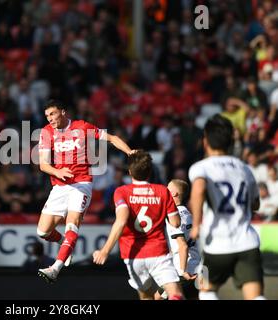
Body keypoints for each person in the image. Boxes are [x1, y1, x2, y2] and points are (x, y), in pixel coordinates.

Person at [36, 100, 133, 283]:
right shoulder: (46, 132)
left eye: (53, 114)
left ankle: (55, 268)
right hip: (59, 186)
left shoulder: (82, 127)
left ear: (63, 112)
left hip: (81, 184)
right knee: (43, 231)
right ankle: (65, 243)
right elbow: (43, 164)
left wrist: (130, 153)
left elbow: (112, 138)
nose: (50, 119)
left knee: (72, 223)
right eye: (47, 115)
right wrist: (57, 171)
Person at [188, 114, 265, 300]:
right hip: (247, 242)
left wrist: (196, 224)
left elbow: (198, 189)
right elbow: (256, 203)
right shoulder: (244, 168)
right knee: (255, 296)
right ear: (231, 141)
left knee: (206, 290)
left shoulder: (200, 167)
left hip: (216, 245)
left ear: (205, 141)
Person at [93, 150, 184, 300]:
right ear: (149, 171)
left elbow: (121, 221)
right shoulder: (163, 191)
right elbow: (175, 222)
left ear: (129, 172)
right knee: (175, 293)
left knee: (146, 297)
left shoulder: (122, 192)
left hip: (134, 255)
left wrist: (105, 251)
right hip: (159, 253)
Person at [155, 179, 201, 300]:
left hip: (183, 268)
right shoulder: (188, 214)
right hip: (197, 265)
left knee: (158, 297)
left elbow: (183, 246)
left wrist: (182, 270)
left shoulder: (174, 216)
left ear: (174, 194)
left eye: (168, 188)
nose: (165, 190)